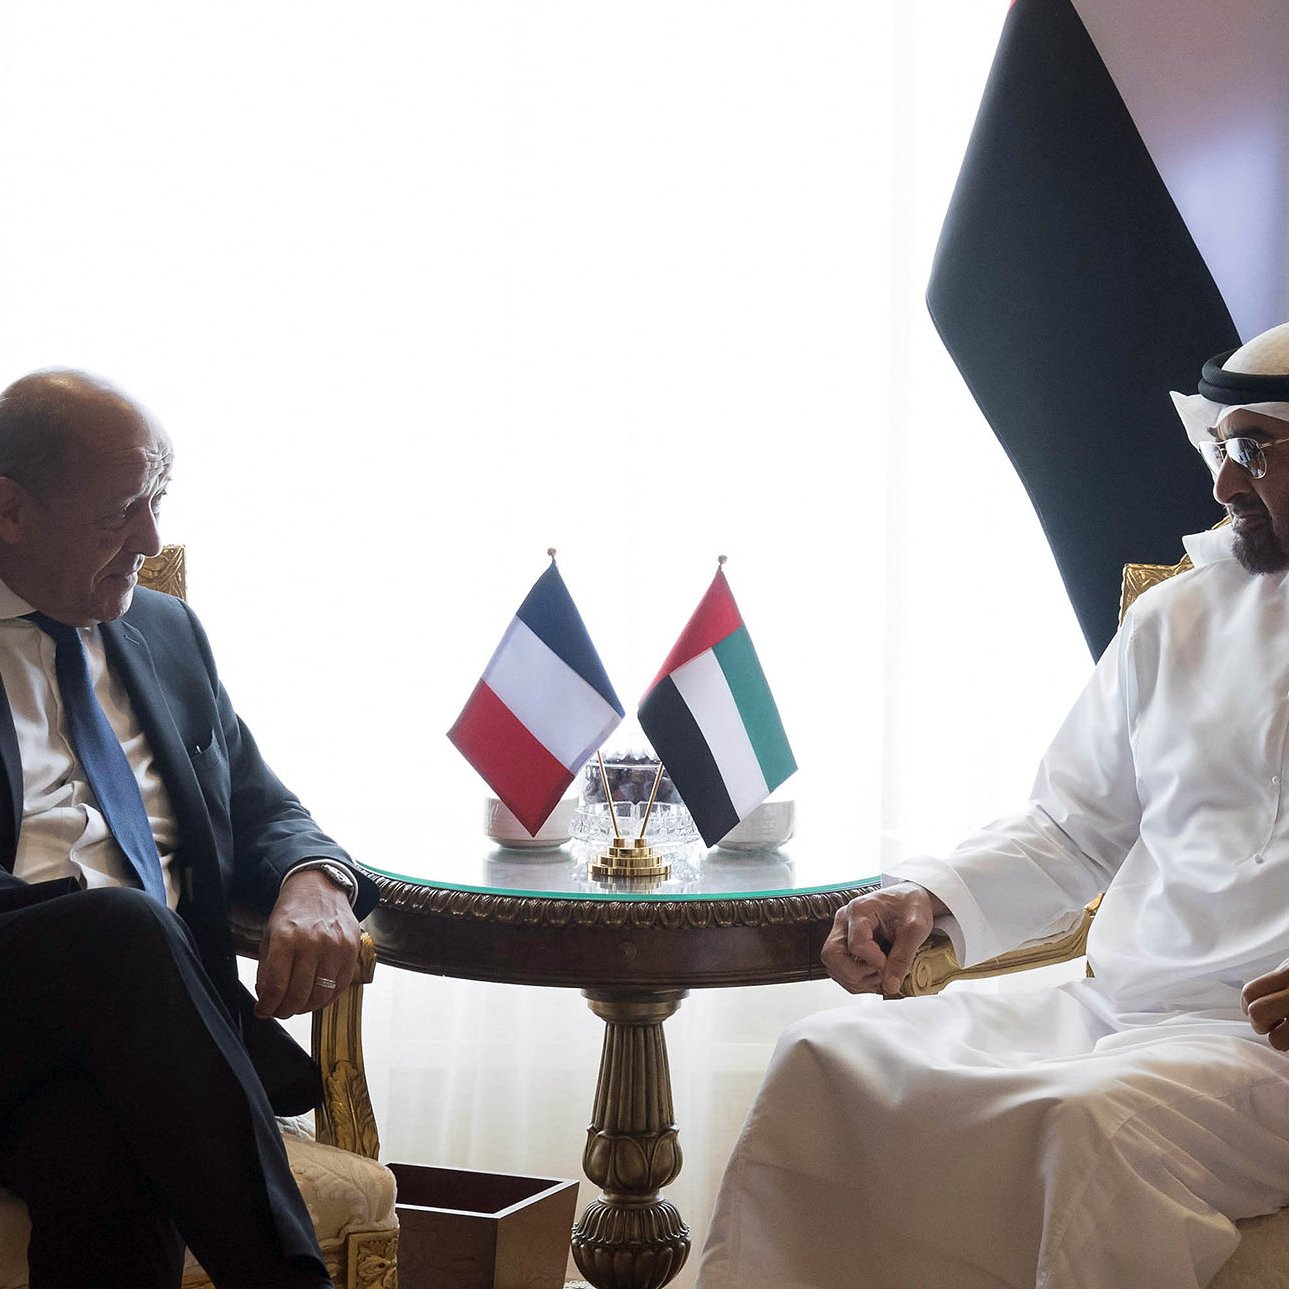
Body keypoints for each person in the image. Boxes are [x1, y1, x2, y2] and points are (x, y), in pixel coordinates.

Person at [695, 319, 1289, 1289]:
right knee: (824, 1058)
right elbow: (1069, 825)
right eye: (1221, 446)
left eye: (1253, 448)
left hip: (1263, 1053)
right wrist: (927, 897)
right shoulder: (1172, 617)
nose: (1222, 483)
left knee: (1091, 1122)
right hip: (1116, 1012)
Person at [0, 370, 379, 1289]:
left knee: (103, 1151)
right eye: (121, 511)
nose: (152, 539)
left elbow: (267, 807)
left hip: (135, 1048)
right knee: (119, 927)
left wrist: (316, 877)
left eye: (157, 500)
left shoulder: (167, 632)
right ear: (9, 511)